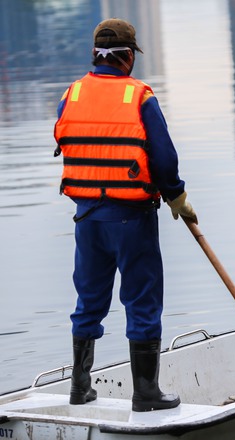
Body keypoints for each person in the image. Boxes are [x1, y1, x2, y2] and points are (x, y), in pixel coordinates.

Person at [53, 18, 197, 412]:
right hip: (131, 218)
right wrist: (177, 197)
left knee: (89, 298)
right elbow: (164, 158)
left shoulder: (72, 94)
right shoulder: (139, 96)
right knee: (142, 298)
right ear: (128, 57)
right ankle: (146, 393)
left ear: (95, 54)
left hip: (87, 219)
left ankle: (79, 388)